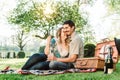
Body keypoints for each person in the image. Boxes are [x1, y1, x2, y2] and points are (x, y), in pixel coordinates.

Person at [19, 20, 84, 71]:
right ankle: (23, 69)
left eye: (66, 28)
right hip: (55, 59)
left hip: (66, 63)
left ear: (73, 28)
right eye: (63, 30)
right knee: (37, 56)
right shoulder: (65, 40)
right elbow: (47, 53)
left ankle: (25, 70)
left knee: (45, 64)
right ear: (59, 34)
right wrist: (48, 42)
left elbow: (72, 59)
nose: (65, 31)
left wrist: (55, 59)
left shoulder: (73, 40)